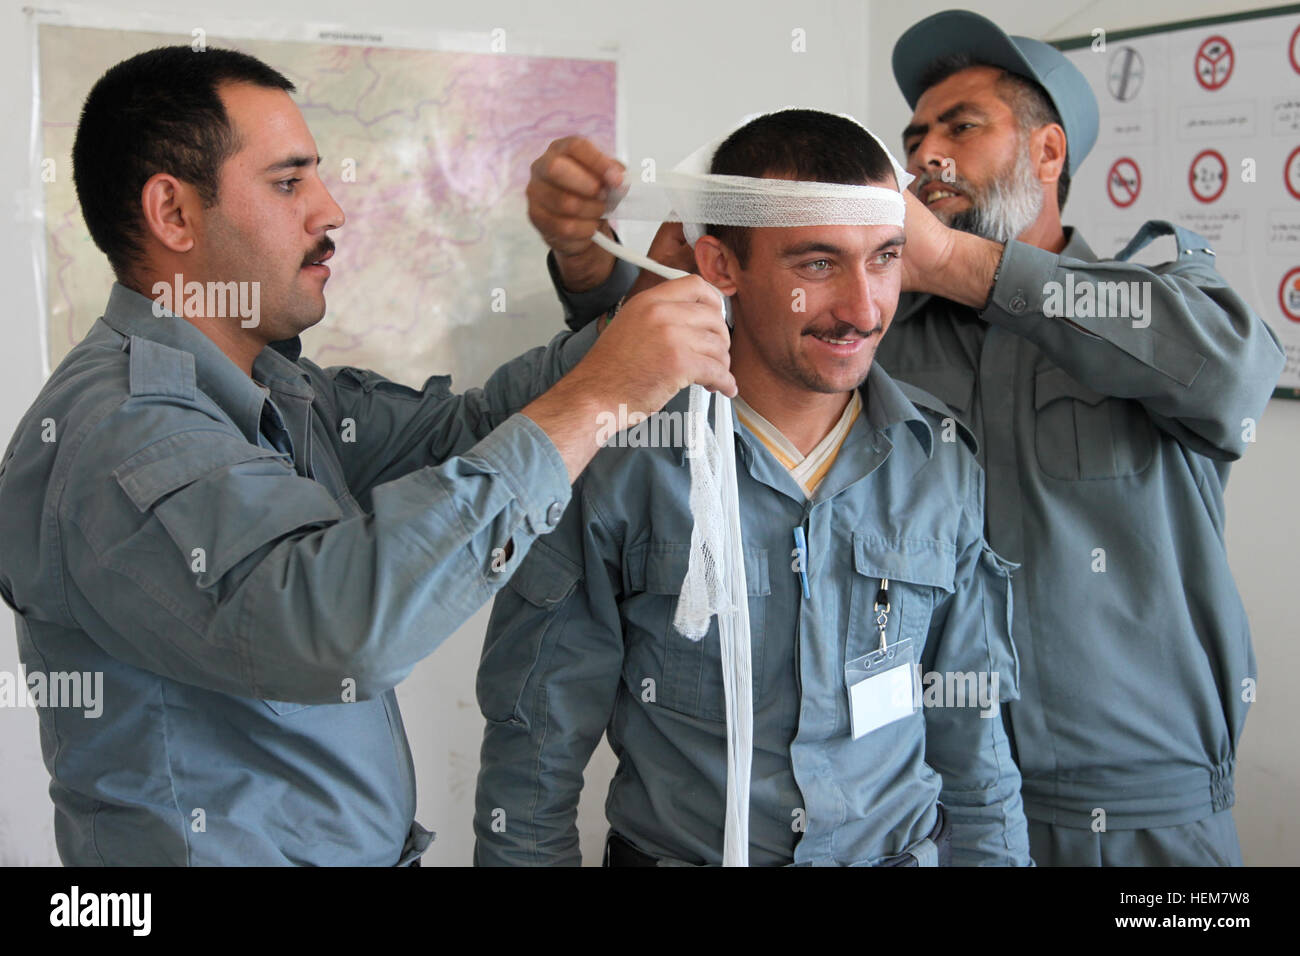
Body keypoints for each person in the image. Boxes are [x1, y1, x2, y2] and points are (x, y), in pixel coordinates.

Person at [534, 12, 1285, 867]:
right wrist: (592, 265)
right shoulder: (876, 334)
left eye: (963, 125)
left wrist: (957, 260)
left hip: (1142, 809)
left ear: (1048, 154)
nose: (928, 152)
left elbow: (1232, 374)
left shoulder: (1144, 304)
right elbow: (682, 352)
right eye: (915, 133)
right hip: (928, 797)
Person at [0, 46, 733, 866]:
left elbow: (472, 429)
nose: (331, 209)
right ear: (173, 215)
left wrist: (629, 316)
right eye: (288, 183)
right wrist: (601, 398)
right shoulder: (122, 432)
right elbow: (338, 628)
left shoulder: (275, 388)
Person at [474, 109, 1030, 867]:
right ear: (720, 265)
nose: (864, 310)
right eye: (817, 265)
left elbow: (977, 748)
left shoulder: (936, 459)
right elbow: (535, 748)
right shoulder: (624, 460)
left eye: (885, 258)